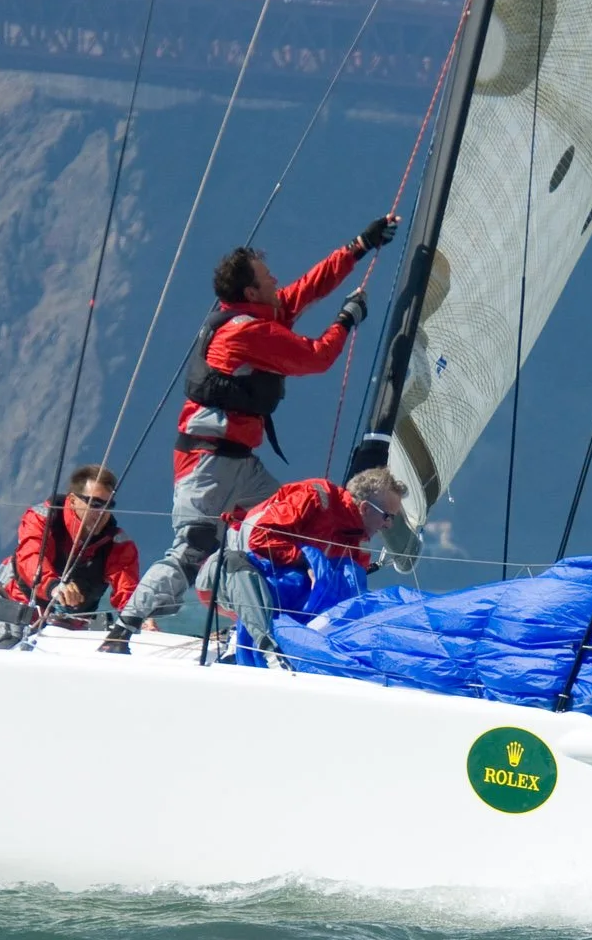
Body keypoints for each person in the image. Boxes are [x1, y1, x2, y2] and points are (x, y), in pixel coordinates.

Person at [117, 212, 398, 630]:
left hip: (241, 463)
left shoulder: (255, 314)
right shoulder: (246, 333)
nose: (276, 281)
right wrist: (346, 321)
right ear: (251, 290)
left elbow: (305, 290)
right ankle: (125, 624)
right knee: (194, 548)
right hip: (206, 463)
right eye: (268, 278)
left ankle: (287, 609)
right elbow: (318, 357)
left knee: (297, 524)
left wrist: (358, 247)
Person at [207, 467, 407, 655]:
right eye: (387, 516)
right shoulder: (315, 497)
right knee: (293, 580)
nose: (388, 525)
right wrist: (307, 562)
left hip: (276, 600)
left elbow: (351, 601)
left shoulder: (355, 547)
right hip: (226, 575)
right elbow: (260, 538)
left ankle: (273, 639)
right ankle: (252, 642)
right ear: (364, 508)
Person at [0, 464, 141, 645]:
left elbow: (127, 589)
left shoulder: (118, 544)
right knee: (9, 656)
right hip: (19, 609)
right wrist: (55, 587)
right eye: (95, 504)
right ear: (72, 500)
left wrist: (140, 617)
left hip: (73, 624)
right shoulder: (41, 518)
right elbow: (31, 556)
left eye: (109, 505)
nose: (102, 512)